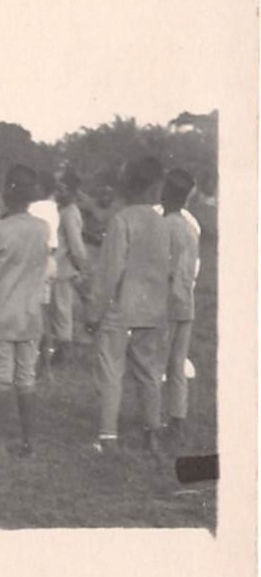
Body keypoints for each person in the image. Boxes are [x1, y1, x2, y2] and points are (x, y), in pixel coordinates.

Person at [84, 154, 169, 457]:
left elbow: (109, 272)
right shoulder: (163, 223)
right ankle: (152, 436)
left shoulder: (122, 220)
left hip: (121, 309)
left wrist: (94, 312)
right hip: (154, 310)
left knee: (110, 372)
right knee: (148, 373)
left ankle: (108, 438)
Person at [0, 165, 50, 454]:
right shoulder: (42, 227)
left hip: (0, 313)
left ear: (5, 194)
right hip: (29, 315)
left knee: (0, 379)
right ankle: (29, 441)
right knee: (25, 378)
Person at [158, 168, 201, 447]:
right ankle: (177, 420)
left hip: (166, 302)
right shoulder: (189, 226)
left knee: (155, 364)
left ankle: (154, 419)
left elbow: (165, 269)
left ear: (165, 194)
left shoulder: (165, 226)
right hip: (186, 301)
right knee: (176, 365)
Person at [51, 169, 89, 366]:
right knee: (59, 311)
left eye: (64, 189)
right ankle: (60, 348)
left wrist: (81, 267)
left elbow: (75, 245)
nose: (59, 193)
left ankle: (64, 352)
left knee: (62, 311)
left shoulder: (70, 212)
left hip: (63, 268)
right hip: (58, 267)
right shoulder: (62, 210)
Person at [29, 174, 60, 374]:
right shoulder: (53, 208)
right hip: (49, 260)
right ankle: (45, 361)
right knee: (43, 311)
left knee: (32, 312)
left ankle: (32, 359)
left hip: (34, 262)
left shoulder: (35, 207)